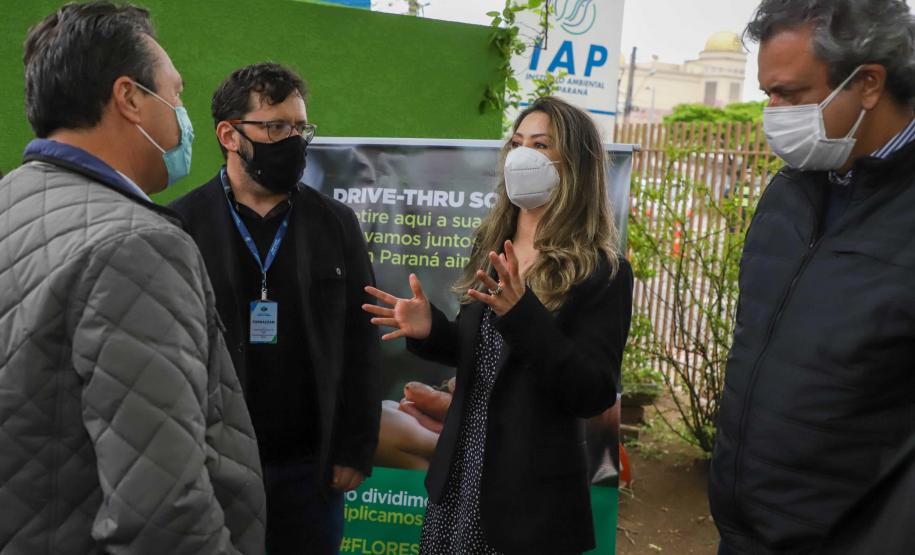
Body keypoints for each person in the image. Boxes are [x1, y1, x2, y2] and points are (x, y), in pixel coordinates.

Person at [0, 3, 265, 553]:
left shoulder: (11, 203)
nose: (182, 114)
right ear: (130, 98)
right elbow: (163, 512)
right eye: (177, 92)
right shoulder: (137, 245)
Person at [364, 96, 633, 554]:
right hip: (460, 477)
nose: (523, 154)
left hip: (529, 498)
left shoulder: (602, 270)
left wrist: (523, 314)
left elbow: (593, 391)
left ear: (575, 164)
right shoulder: (493, 243)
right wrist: (431, 330)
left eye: (542, 144)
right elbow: (483, 352)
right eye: (517, 142)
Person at [710, 1, 915, 553]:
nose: (773, 113)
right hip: (744, 532)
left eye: (791, 94)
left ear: (869, 82)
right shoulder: (789, 193)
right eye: (766, 95)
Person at [170, 62, 381, 555]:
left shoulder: (335, 223)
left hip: (312, 471)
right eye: (276, 126)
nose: (294, 140)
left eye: (300, 127)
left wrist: (355, 447)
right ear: (229, 134)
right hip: (213, 466)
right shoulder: (181, 224)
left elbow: (361, 338)